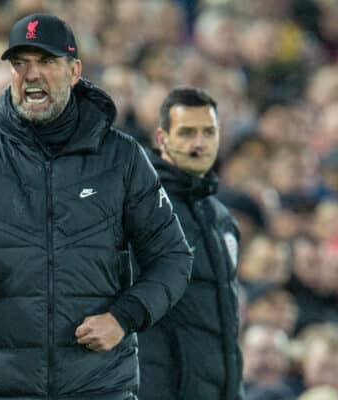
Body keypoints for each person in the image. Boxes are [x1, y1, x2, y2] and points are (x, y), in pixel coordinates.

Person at [0, 13, 193, 400]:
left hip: (96, 386)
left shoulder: (122, 158)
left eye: (46, 62)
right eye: (20, 63)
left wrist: (123, 317)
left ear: (74, 70)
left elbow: (174, 258)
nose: (31, 74)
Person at [137, 87, 242, 399]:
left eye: (209, 132)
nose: (200, 143)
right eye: (187, 133)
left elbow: (226, 322)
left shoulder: (222, 219)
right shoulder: (138, 206)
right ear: (161, 139)